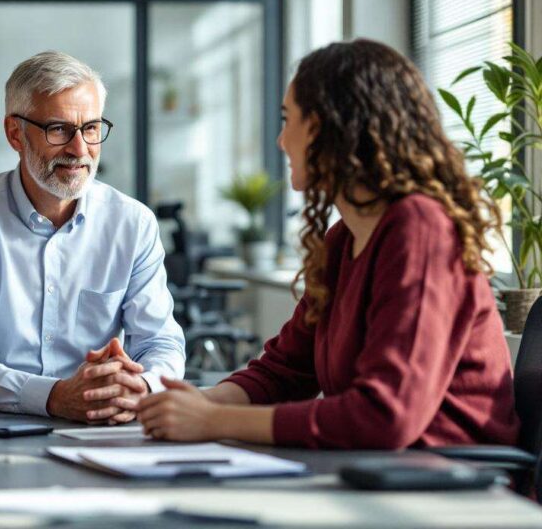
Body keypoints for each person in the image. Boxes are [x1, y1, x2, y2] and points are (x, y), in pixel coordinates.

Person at [136, 39, 520, 449]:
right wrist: (194, 404)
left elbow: (386, 416)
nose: (282, 141)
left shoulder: (420, 229)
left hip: (456, 489)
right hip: (378, 475)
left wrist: (215, 421)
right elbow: (285, 370)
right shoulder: (345, 240)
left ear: (329, 127)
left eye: (288, 120)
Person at [0, 51, 185, 423]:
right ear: (15, 133)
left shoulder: (133, 223)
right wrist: (53, 397)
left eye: (91, 128)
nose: (79, 150)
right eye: (59, 129)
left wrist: (140, 387)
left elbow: (160, 342)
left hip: (104, 424)